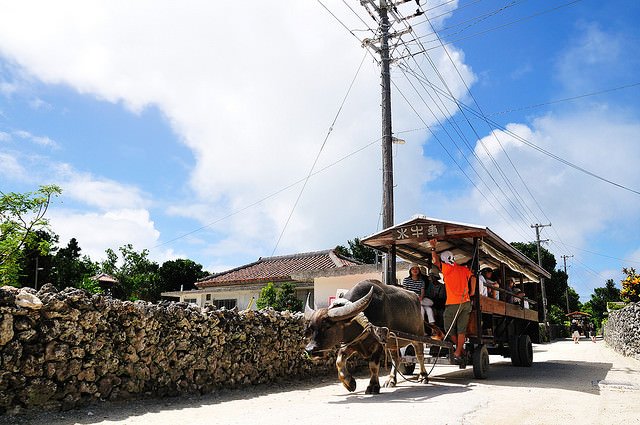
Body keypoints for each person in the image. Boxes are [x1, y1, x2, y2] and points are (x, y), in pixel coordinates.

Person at [428, 239, 476, 363]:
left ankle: (459, 350)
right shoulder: (463, 269)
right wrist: (472, 293)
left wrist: (433, 247)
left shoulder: (447, 269)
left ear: (444, 260)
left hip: (453, 304)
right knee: (461, 329)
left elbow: (435, 261)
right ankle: (461, 350)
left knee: (448, 328)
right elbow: (473, 278)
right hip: (465, 303)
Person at [402, 264, 438, 329]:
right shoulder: (406, 280)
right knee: (424, 309)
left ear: (419, 270)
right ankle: (422, 329)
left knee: (430, 306)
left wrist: (420, 298)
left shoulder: (421, 281)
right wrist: (414, 298)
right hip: (411, 299)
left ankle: (433, 329)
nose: (415, 270)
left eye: (417, 269)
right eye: (413, 269)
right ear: (410, 271)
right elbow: (405, 292)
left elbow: (422, 292)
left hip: (420, 300)